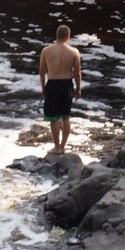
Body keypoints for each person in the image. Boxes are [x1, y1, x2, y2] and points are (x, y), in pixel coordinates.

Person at [39, 24, 82, 154]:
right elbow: (77, 73)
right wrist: (78, 89)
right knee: (65, 116)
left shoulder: (46, 51)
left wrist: (43, 87)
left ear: (56, 35)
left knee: (53, 118)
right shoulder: (74, 52)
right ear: (68, 37)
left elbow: (42, 71)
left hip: (52, 84)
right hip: (67, 85)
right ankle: (63, 146)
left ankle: (56, 147)